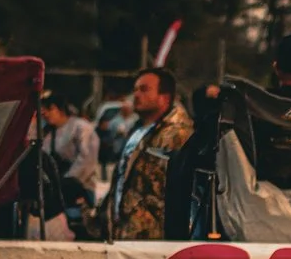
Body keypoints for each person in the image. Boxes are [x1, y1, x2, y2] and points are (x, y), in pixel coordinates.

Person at [100, 66, 193, 240]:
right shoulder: (138, 130)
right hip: (125, 235)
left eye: (144, 89)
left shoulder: (178, 134)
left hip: (154, 241)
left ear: (164, 97)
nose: (136, 95)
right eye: (135, 89)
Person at [40, 95, 100, 224]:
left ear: (60, 109)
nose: (45, 113)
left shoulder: (81, 127)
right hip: (55, 191)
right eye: (43, 110)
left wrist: (67, 181)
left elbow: (86, 160)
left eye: (49, 109)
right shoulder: (46, 132)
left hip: (80, 188)